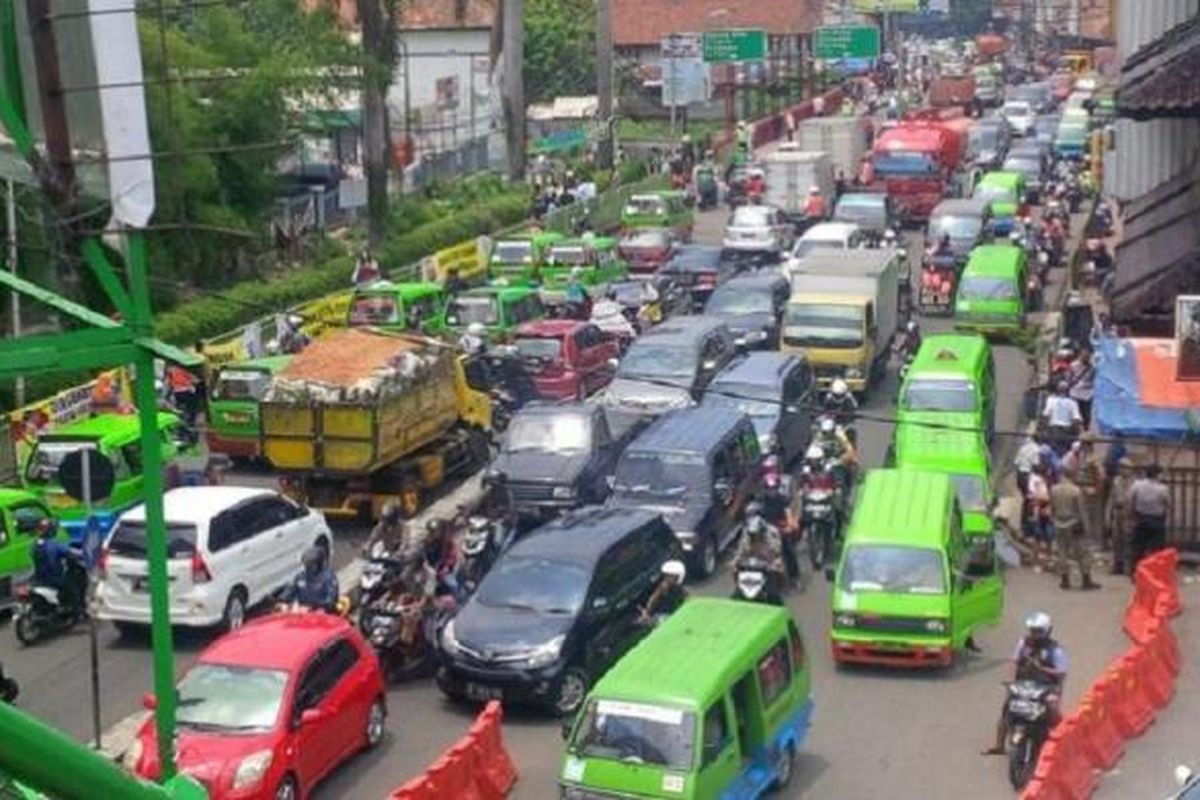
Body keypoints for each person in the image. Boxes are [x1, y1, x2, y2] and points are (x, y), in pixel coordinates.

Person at [983, 612, 1068, 755]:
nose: (1034, 635)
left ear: (1047, 631)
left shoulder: (1055, 650)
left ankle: (1063, 743)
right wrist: (1010, 680)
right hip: (1024, 684)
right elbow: (1014, 661)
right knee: (1006, 711)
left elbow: (1061, 673)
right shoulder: (1023, 643)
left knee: (1053, 713)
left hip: (1046, 686)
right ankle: (999, 746)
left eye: (1038, 631)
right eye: (1032, 631)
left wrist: (1043, 669)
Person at [1050, 472, 1100, 590]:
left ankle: (1065, 580)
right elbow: (1081, 510)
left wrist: (1054, 520)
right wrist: (1086, 528)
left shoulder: (1053, 489)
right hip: (1074, 523)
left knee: (1062, 553)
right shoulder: (1075, 491)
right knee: (1082, 553)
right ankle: (1086, 580)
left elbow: (1052, 507)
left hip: (1059, 523)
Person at [31, 519, 83, 619]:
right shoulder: (53, 544)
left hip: (39, 578)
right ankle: (77, 613)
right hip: (54, 578)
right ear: (51, 531)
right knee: (73, 589)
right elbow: (70, 552)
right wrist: (83, 553)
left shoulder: (35, 544)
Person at [1129, 465, 1170, 570]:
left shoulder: (1137, 485)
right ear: (1157, 475)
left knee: (1138, 547)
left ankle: (1135, 571)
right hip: (1156, 520)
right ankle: (1155, 571)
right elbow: (1168, 504)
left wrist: (1132, 514)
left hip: (1140, 518)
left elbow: (1130, 500)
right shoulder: (1162, 489)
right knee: (1157, 549)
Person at [279, 546, 339, 612]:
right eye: (306, 564)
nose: (307, 567)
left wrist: (312, 608)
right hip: (303, 613)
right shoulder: (300, 577)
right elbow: (289, 592)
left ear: (319, 563)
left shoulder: (328, 577)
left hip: (323, 613)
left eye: (310, 564)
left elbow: (330, 600)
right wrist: (283, 602)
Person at [734, 510, 786, 581]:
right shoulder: (746, 535)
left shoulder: (772, 533)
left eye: (756, 534)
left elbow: (776, 551)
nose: (755, 537)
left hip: (768, 559)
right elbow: (741, 549)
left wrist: (772, 561)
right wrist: (736, 561)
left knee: (779, 569)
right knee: (735, 570)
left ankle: (782, 587)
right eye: (753, 535)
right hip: (752, 560)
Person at [1106, 457, 1136, 576]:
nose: (1121, 470)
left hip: (1128, 512)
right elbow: (1111, 499)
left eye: (1124, 467)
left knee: (1128, 540)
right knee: (1116, 540)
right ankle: (1117, 565)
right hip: (1117, 511)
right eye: (1120, 467)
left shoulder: (1135, 482)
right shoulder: (1116, 481)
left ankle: (1127, 566)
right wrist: (1108, 516)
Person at [1041, 383, 1082, 451]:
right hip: (1067, 430)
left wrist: (1044, 429)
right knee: (1064, 450)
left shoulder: (1051, 400)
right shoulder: (1073, 402)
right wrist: (1077, 432)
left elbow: (1045, 415)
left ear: (1057, 390)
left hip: (1053, 429)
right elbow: (1076, 420)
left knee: (1053, 449)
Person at [1067, 349, 1096, 429]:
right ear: (1080, 356)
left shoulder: (1092, 368)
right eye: (1085, 357)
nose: (1086, 359)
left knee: (1086, 415)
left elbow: (1094, 381)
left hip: (1087, 395)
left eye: (1088, 357)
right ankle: (1075, 430)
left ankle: (1086, 429)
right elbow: (1069, 378)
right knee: (1075, 414)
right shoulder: (1073, 365)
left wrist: (1087, 384)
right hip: (1075, 393)